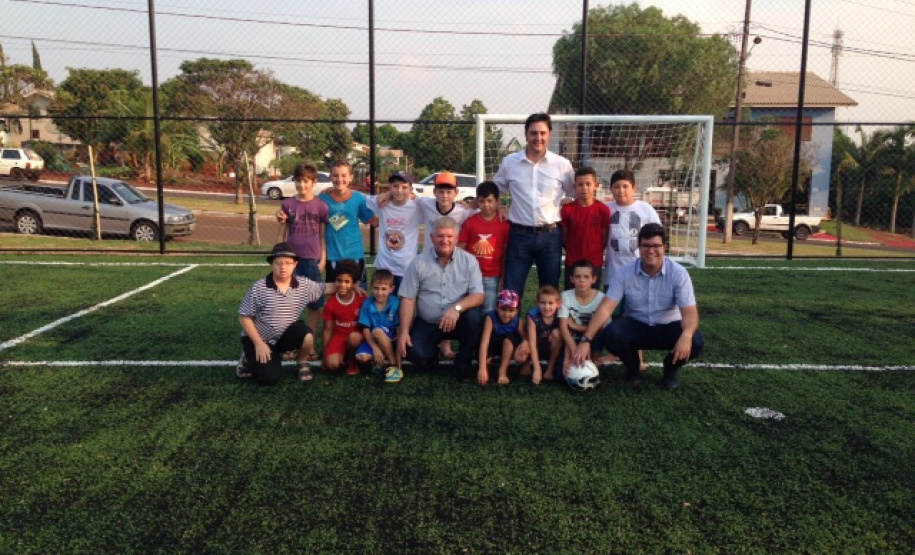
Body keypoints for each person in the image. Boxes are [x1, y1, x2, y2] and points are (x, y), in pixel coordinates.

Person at [573, 224, 705, 390]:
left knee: (696, 341)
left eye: (656, 246)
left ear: (665, 247)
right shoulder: (625, 272)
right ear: (639, 247)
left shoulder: (678, 273)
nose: (651, 251)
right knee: (612, 333)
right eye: (646, 246)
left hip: (669, 327)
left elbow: (690, 312)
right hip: (637, 326)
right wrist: (586, 339)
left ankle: (670, 368)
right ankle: (633, 368)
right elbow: (606, 308)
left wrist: (686, 334)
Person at [493, 112, 575, 299]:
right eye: (533, 133)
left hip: (551, 235)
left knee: (550, 291)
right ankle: (511, 328)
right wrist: (500, 206)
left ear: (549, 135)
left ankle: (546, 329)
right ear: (526, 134)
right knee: (512, 291)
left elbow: (575, 193)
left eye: (542, 133)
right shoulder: (510, 162)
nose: (538, 138)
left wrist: (568, 203)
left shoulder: (561, 164)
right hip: (519, 235)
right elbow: (495, 190)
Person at [237, 243, 339, 385]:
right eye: (278, 263)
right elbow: (244, 316)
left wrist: (352, 286)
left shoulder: (304, 285)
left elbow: (326, 288)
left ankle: (302, 361)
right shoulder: (259, 287)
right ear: (271, 264)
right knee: (268, 378)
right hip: (261, 339)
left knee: (307, 335)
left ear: (295, 264)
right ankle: (248, 357)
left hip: (284, 337)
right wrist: (259, 343)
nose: (283, 267)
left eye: (287, 263)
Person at [397, 216, 484, 382]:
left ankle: (463, 363)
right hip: (429, 322)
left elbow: (478, 296)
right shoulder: (418, 262)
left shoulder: (469, 261)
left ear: (457, 238)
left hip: (458, 320)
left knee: (474, 319)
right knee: (414, 354)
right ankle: (431, 354)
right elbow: (408, 299)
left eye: (450, 236)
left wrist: (456, 309)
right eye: (440, 236)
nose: (445, 241)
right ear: (431, 238)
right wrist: (404, 332)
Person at [602, 169, 661, 368]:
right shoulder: (605, 209)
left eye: (625, 186)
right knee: (615, 316)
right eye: (616, 187)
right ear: (611, 189)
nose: (621, 191)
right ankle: (616, 353)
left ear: (634, 188)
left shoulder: (646, 209)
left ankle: (639, 358)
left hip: (639, 274)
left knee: (635, 316)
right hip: (613, 273)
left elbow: (657, 238)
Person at [275, 162, 329, 345]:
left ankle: (310, 341)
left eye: (306, 181)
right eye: (298, 181)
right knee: (290, 303)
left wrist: (323, 259)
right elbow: (282, 231)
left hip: (312, 261)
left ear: (314, 182)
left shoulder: (321, 206)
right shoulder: (288, 204)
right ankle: (293, 343)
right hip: (291, 261)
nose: (302, 185)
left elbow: (322, 235)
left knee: (314, 304)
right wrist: (278, 255)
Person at [318, 160, 375, 286]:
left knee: (358, 293)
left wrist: (393, 205)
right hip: (333, 256)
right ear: (330, 177)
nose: (340, 179)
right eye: (335, 175)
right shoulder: (321, 199)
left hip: (355, 255)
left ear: (351, 177)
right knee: (335, 293)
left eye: (344, 175)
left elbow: (373, 221)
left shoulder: (359, 198)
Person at [364, 171, 422, 294]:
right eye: (395, 186)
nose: (399, 190)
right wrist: (331, 189)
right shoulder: (382, 203)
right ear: (389, 187)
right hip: (385, 266)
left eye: (404, 187)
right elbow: (358, 198)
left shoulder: (417, 207)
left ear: (411, 189)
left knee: (404, 303)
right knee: (382, 301)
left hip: (406, 267)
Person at [458, 181, 511, 313]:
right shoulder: (470, 222)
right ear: (477, 201)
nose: (486, 205)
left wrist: (503, 277)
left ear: (497, 201)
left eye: (490, 201)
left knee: (489, 311)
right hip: (470, 275)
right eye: (482, 201)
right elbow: (461, 249)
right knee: (470, 311)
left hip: (492, 276)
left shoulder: (504, 224)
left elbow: (506, 253)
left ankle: (487, 334)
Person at [561, 166, 611, 291]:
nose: (584, 188)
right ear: (575, 187)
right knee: (571, 296)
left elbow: (604, 237)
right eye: (580, 184)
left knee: (593, 298)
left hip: (594, 262)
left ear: (596, 185)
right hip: (573, 262)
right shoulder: (567, 210)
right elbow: (564, 236)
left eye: (588, 184)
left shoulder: (603, 210)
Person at [558, 260, 606, 379]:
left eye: (586, 276)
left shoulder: (601, 298)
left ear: (593, 279)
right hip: (572, 337)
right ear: (571, 279)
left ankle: (594, 358)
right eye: (578, 276)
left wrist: (575, 326)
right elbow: (563, 327)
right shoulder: (565, 296)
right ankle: (568, 358)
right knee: (559, 375)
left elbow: (600, 328)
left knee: (602, 335)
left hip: (594, 336)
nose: (582, 280)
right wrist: (574, 350)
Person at [322, 260, 368, 375]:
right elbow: (328, 330)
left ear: (354, 283)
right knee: (332, 365)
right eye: (339, 281)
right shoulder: (331, 303)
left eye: (347, 281)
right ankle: (343, 355)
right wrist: (325, 353)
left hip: (357, 335)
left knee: (354, 338)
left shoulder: (362, 299)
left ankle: (351, 360)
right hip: (339, 335)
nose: (342, 285)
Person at [358, 269, 403, 384]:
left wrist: (399, 357)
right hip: (375, 338)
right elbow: (365, 329)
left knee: (377, 331)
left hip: (392, 338)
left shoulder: (396, 302)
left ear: (391, 289)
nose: (379, 292)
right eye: (376, 288)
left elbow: (399, 328)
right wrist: (375, 348)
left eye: (384, 289)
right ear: (371, 287)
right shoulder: (367, 304)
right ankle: (379, 359)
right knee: (362, 357)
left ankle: (393, 366)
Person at [477, 289, 525, 386]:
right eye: (503, 309)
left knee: (509, 340)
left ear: (517, 310)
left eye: (511, 310)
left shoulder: (518, 321)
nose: (507, 314)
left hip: (508, 345)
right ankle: (485, 367)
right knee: (483, 360)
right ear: (497, 307)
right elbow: (484, 343)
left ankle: (502, 372)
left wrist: (525, 344)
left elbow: (525, 338)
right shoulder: (490, 318)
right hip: (493, 343)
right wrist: (482, 368)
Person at [519, 284, 563, 384]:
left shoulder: (560, 315)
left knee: (557, 334)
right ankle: (527, 364)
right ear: (537, 303)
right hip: (534, 345)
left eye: (550, 303)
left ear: (558, 304)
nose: (547, 307)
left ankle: (550, 368)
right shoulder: (533, 316)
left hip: (550, 345)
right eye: (543, 303)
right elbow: (532, 343)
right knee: (519, 357)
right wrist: (537, 369)